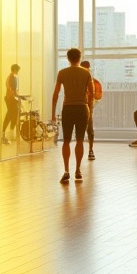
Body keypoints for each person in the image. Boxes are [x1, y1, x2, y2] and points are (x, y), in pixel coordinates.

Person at [51, 47, 92, 183]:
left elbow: (56, 94)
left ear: (68, 59)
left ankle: (66, 171)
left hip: (67, 108)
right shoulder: (86, 73)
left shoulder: (62, 73)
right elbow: (91, 95)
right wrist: (90, 110)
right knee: (80, 140)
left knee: (66, 141)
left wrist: (52, 113)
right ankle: (78, 170)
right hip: (82, 108)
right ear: (79, 58)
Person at [80, 60, 101, 161]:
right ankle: (89, 150)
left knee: (89, 130)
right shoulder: (87, 79)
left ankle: (90, 150)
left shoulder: (91, 80)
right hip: (83, 106)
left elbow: (97, 95)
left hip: (86, 107)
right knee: (88, 130)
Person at [1, 63, 21, 144]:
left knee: (13, 114)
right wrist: (15, 96)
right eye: (17, 70)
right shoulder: (11, 77)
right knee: (10, 114)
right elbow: (10, 88)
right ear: (15, 70)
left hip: (11, 98)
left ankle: (10, 132)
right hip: (10, 98)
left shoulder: (12, 77)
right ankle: (7, 133)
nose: (18, 72)